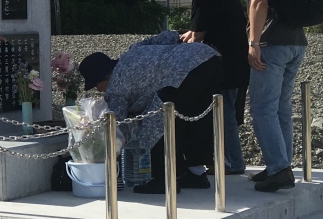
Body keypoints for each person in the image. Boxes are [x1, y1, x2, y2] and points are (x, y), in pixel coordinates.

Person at [216, 0, 306, 193]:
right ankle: (281, 164)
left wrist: (253, 42)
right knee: (281, 108)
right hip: (296, 42)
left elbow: (258, 1)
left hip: (270, 43)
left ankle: (279, 170)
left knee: (262, 109)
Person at [79, 33, 222, 194]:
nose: (99, 91)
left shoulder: (115, 86)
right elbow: (168, 36)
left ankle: (163, 180)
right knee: (197, 121)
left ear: (103, 77)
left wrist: (104, 152)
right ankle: (196, 174)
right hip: (209, 58)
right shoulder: (132, 51)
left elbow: (117, 127)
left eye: (96, 85)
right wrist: (181, 37)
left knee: (157, 127)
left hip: (179, 73)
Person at [167, 0, 250, 175]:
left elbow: (198, 35)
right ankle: (231, 160)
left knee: (224, 112)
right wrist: (191, 33)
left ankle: (232, 162)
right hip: (238, 57)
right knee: (228, 109)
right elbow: (204, 27)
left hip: (223, 62)